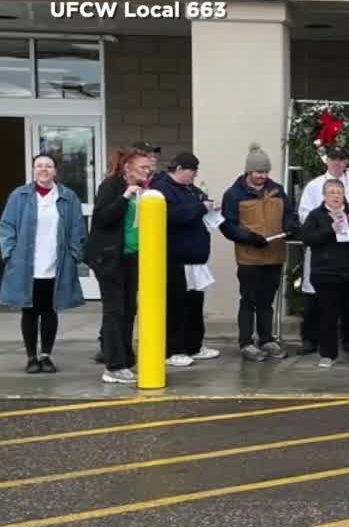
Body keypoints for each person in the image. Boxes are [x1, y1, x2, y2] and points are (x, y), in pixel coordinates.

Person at [0, 153, 85, 373]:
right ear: (34, 170)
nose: (44, 169)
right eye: (39, 166)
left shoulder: (68, 197)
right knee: (29, 311)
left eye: (48, 166)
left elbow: (78, 228)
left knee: (49, 311)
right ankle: (31, 357)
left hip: (56, 263)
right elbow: (7, 226)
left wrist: (75, 254)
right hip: (26, 264)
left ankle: (46, 355)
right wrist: (8, 253)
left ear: (55, 171)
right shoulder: (19, 196)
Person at [219, 143, 298, 362]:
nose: (263, 176)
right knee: (249, 299)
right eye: (258, 172)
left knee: (266, 300)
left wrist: (291, 226)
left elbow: (289, 214)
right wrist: (249, 238)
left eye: (265, 172)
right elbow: (227, 225)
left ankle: (266, 339)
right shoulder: (234, 194)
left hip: (275, 254)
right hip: (249, 257)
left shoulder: (277, 190)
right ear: (248, 171)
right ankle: (246, 342)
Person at [86, 146, 151, 383]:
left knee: (128, 310)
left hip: (132, 256)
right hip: (110, 257)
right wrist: (125, 196)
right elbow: (103, 218)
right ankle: (113, 366)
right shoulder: (112, 185)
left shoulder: (144, 189)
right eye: (143, 166)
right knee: (114, 310)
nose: (148, 170)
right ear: (127, 167)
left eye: (149, 166)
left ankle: (125, 358)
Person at [296, 146, 349, 355]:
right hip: (323, 251)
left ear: (346, 162)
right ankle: (311, 338)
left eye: (341, 159)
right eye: (333, 159)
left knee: (348, 300)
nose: (337, 163)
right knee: (316, 298)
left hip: (348, 255)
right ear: (326, 161)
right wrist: (327, 225)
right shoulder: (314, 186)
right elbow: (304, 215)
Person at [152, 152, 217, 367]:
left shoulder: (190, 190)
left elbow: (199, 203)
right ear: (179, 169)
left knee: (194, 304)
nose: (194, 176)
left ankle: (194, 345)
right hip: (175, 258)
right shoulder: (162, 189)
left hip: (195, 259)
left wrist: (209, 204)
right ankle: (173, 349)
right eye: (192, 171)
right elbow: (172, 216)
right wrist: (200, 207)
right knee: (176, 305)